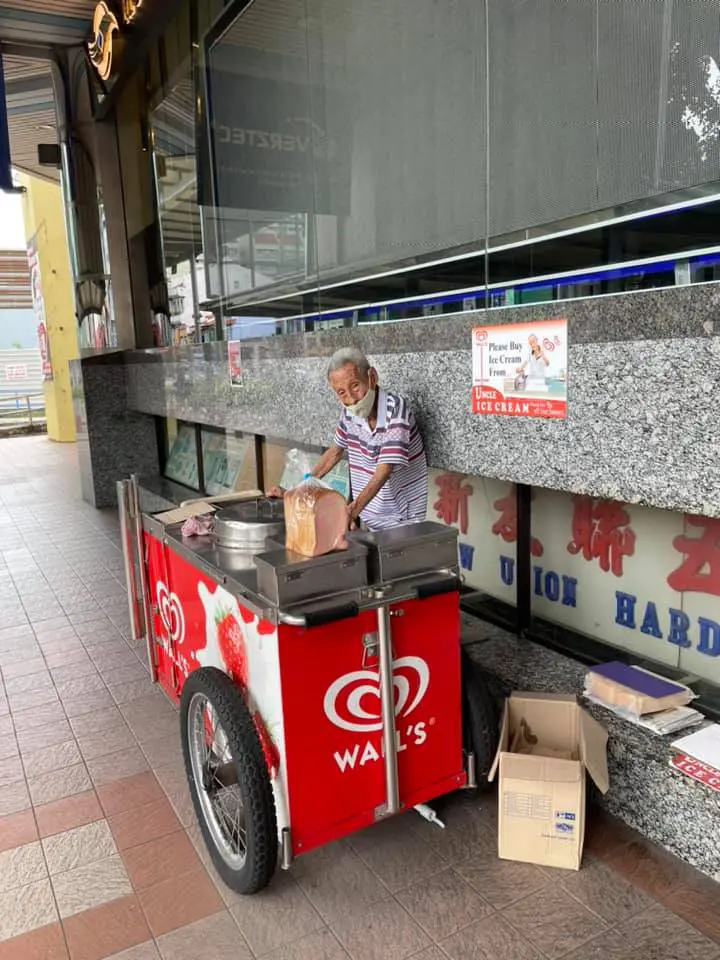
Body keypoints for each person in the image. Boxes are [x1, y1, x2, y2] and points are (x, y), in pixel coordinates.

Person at [267, 347, 428, 531]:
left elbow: (384, 470)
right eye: (342, 392)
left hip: (403, 520)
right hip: (371, 519)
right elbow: (334, 452)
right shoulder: (349, 413)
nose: (351, 399)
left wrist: (350, 512)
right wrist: (298, 491)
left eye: (355, 385)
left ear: (372, 376)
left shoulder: (396, 410)